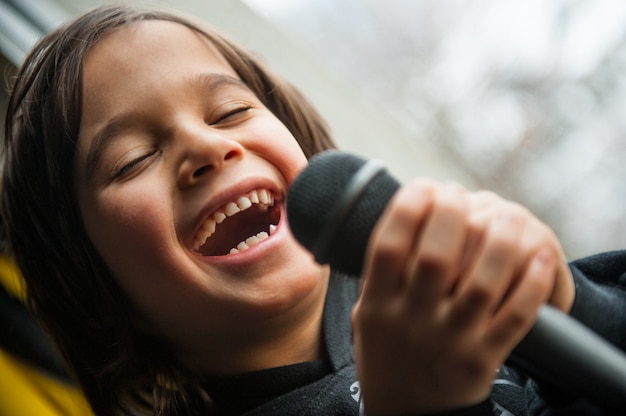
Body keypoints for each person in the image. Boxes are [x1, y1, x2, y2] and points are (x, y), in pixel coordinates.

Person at [1, 4, 624, 416]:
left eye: (230, 111)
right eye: (134, 159)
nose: (206, 145)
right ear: (96, 294)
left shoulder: (453, 286)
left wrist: (567, 301)